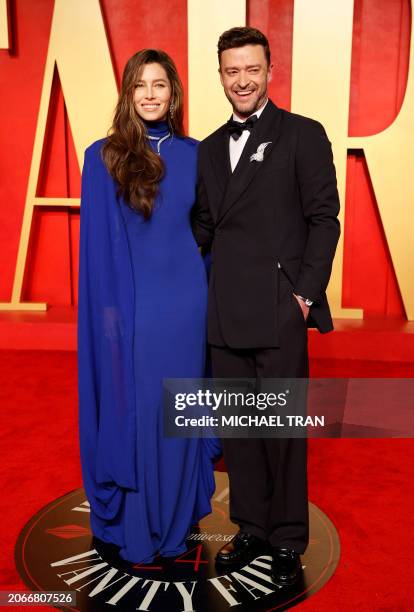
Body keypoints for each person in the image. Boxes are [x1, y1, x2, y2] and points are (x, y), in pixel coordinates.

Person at [191, 27, 340, 587]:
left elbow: (325, 218)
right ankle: (251, 527)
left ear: (270, 70)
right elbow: (203, 227)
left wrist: (303, 296)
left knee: (280, 430)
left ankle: (287, 538)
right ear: (222, 76)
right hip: (225, 311)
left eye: (252, 69)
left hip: (279, 308)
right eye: (232, 71)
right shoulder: (207, 149)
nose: (243, 80)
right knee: (240, 431)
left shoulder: (302, 134)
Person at [78, 49, 220, 565]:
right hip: (133, 310)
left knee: (179, 412)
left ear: (173, 92)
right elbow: (96, 248)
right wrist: (109, 316)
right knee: (138, 411)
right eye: (140, 85)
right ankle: (139, 527)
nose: (150, 94)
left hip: (187, 304)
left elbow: (209, 232)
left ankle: (178, 519)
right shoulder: (102, 156)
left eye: (159, 84)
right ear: (127, 92)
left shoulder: (197, 153)